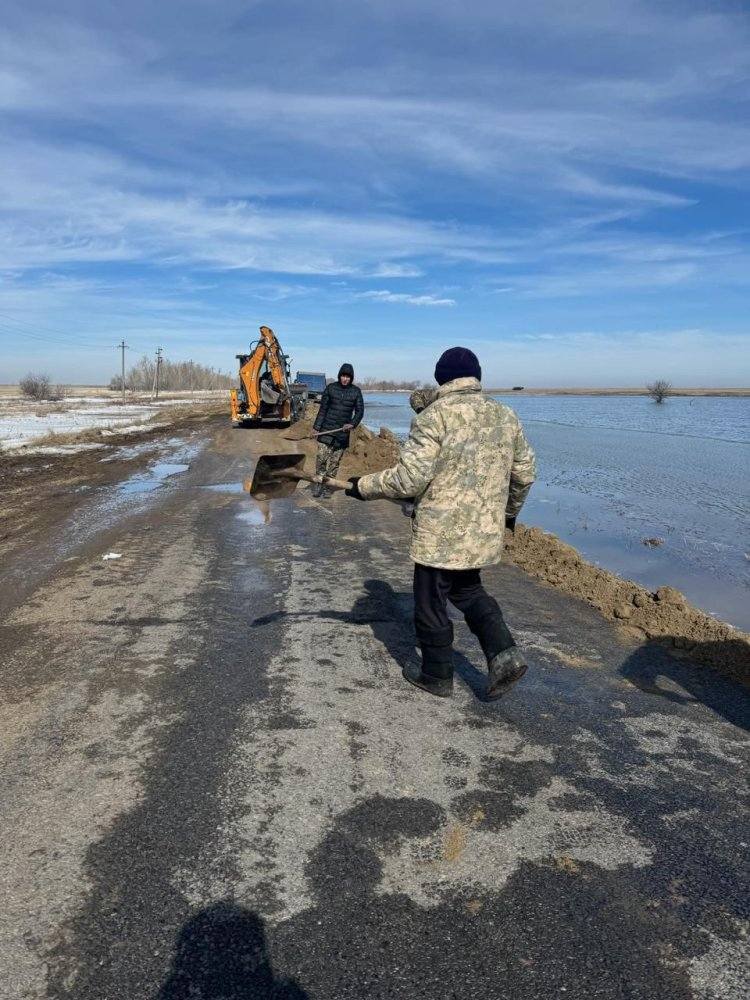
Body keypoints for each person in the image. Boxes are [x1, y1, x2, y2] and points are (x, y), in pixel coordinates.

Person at [346, 347, 536, 700]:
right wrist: (508, 513)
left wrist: (363, 486)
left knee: (431, 600)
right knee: (467, 590)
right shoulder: (505, 415)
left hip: (441, 534)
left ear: (441, 378)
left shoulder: (434, 417)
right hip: (481, 533)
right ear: (476, 377)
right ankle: (505, 655)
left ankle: (436, 673)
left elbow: (409, 480)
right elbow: (524, 474)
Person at [312, 363, 364, 498]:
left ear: (351, 378)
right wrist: (316, 428)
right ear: (339, 375)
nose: (345, 379)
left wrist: (352, 424)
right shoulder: (331, 388)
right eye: (343, 376)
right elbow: (322, 410)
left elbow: (360, 411)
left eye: (348, 377)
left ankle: (328, 487)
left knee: (334, 464)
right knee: (321, 459)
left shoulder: (356, 391)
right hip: (326, 430)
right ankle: (318, 484)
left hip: (342, 433)